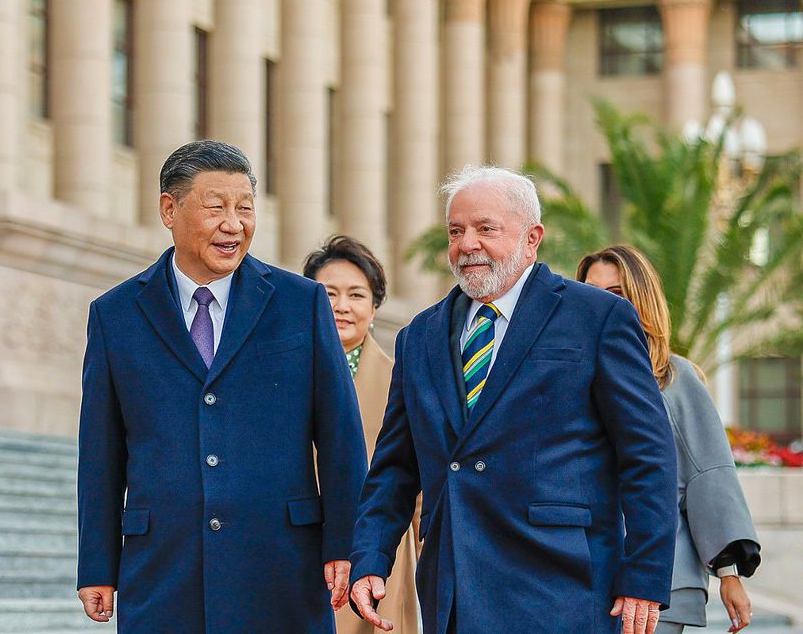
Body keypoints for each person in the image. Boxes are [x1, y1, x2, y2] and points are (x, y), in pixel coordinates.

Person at [349, 165, 677, 634]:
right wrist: (370, 558)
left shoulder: (598, 318)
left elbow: (649, 455)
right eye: (456, 231)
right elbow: (395, 467)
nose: (467, 244)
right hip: (454, 591)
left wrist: (644, 575)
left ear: (532, 237)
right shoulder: (418, 336)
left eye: (486, 229)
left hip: (563, 590)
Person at [76, 140, 367, 633]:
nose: (234, 224)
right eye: (216, 208)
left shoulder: (302, 303)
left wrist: (347, 543)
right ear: (170, 209)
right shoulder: (115, 314)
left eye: (245, 208)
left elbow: (341, 437)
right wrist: (98, 564)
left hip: (282, 567)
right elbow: (101, 451)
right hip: (163, 570)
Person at [578, 245, 760, 634]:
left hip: (662, 577)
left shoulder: (674, 378)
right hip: (586, 572)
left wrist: (729, 573)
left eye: (616, 294)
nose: (599, 304)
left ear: (640, 299)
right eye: (590, 292)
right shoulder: (574, 379)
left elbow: (709, 474)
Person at [304, 235, 420, 634]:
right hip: (301, 546)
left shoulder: (401, 379)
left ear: (374, 307)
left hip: (375, 554)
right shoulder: (278, 378)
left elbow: (418, 478)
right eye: (328, 293)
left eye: (356, 295)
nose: (341, 306)